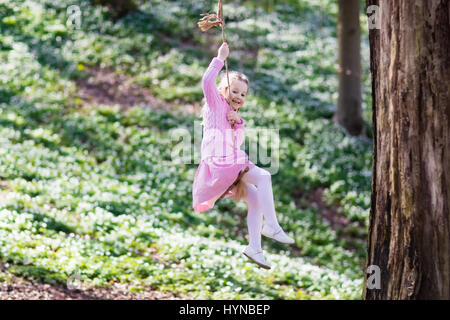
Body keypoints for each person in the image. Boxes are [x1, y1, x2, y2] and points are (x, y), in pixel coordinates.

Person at [192, 42, 294, 269]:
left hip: (231, 161)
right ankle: (273, 226)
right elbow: (207, 81)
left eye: (242, 93)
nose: (238, 96)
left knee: (256, 199)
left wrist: (236, 123)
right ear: (223, 91)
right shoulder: (214, 103)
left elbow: (236, 143)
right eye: (234, 91)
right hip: (220, 163)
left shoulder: (234, 116)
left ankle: (255, 248)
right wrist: (220, 58)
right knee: (264, 176)